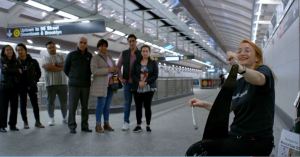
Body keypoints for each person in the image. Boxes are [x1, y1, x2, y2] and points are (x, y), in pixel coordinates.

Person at [186, 39, 275, 156]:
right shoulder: (239, 84)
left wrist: (239, 68)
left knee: (198, 151)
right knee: (203, 146)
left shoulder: (263, 71)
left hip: (256, 141)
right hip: (236, 137)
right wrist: (203, 104)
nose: (242, 53)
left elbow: (258, 79)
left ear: (257, 58)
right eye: (239, 51)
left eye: (247, 50)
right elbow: (226, 109)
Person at [64, 37, 93, 134]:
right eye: (81, 42)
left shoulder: (89, 56)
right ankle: (72, 126)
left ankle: (85, 126)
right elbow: (66, 69)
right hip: (74, 86)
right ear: (77, 43)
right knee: (73, 106)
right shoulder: (71, 55)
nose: (83, 44)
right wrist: (73, 77)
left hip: (85, 85)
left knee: (85, 107)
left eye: (85, 43)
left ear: (87, 44)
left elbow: (91, 70)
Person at [90, 39, 117, 133]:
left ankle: (106, 124)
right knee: (100, 105)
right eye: (101, 46)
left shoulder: (109, 57)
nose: (103, 47)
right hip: (101, 85)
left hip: (111, 84)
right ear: (98, 47)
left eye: (105, 45)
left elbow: (114, 68)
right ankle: (98, 125)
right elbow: (94, 71)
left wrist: (115, 70)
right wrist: (108, 70)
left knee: (107, 106)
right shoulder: (95, 58)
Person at [16, 43, 45, 129]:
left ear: (25, 50)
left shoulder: (33, 61)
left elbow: (39, 73)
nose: (20, 51)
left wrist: (34, 80)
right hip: (21, 87)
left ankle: (38, 121)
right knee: (23, 104)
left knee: (35, 104)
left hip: (31, 86)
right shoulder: (16, 62)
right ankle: (25, 122)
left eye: (21, 49)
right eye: (18, 50)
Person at [117, 34, 142, 131]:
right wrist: (120, 78)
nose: (131, 43)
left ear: (136, 42)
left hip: (137, 84)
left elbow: (145, 68)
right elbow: (118, 67)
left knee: (138, 104)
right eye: (129, 41)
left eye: (133, 41)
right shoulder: (124, 53)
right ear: (128, 42)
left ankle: (138, 124)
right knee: (127, 103)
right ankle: (126, 122)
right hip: (127, 83)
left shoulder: (140, 54)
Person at [131, 45, 158, 133]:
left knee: (147, 106)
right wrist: (139, 82)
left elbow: (155, 75)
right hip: (138, 87)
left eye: (146, 51)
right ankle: (138, 125)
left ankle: (148, 125)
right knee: (138, 107)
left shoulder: (153, 63)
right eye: (143, 51)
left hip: (149, 88)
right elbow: (133, 74)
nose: (145, 53)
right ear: (141, 52)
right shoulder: (136, 62)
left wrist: (146, 82)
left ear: (149, 52)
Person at [42, 41, 68, 126]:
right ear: (47, 49)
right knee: (50, 102)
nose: (52, 49)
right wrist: (60, 67)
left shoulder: (62, 55)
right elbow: (48, 67)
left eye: (53, 47)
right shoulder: (45, 57)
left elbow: (66, 65)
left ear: (55, 47)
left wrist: (55, 66)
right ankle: (51, 119)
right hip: (50, 84)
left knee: (63, 102)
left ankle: (64, 118)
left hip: (63, 83)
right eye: (49, 47)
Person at [0, 45, 22, 132]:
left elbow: (20, 71)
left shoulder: (16, 61)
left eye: (11, 50)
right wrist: (16, 71)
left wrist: (12, 70)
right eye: (7, 50)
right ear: (4, 52)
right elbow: (4, 70)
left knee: (14, 107)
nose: (9, 51)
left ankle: (12, 125)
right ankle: (2, 126)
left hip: (14, 87)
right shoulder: (1, 60)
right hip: (4, 87)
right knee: (3, 107)